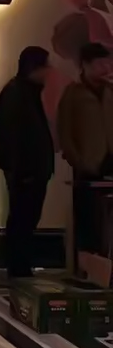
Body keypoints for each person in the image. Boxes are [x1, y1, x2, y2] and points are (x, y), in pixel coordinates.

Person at [0, 46, 54, 278]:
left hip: (29, 169)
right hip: (26, 171)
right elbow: (14, 136)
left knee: (25, 217)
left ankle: (20, 265)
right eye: (45, 66)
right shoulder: (18, 94)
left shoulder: (24, 92)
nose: (49, 72)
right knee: (23, 218)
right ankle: (18, 266)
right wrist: (22, 170)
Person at [57, 42, 113, 258]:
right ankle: (88, 263)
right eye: (99, 64)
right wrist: (77, 160)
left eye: (107, 63)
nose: (105, 68)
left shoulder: (109, 91)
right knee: (88, 218)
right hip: (88, 164)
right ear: (85, 65)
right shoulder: (73, 93)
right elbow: (65, 131)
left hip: (110, 160)